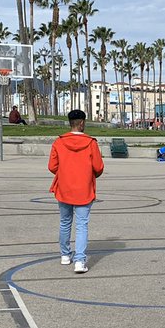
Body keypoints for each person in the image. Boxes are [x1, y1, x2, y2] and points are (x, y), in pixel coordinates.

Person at [48, 109, 104, 274]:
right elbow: (98, 167)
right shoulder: (91, 143)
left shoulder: (59, 142)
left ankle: (65, 255)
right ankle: (79, 261)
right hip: (84, 189)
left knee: (65, 222)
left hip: (64, 188)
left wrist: (64, 172)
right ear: (82, 123)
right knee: (81, 224)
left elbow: (52, 166)